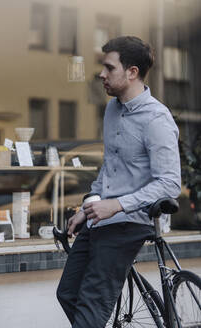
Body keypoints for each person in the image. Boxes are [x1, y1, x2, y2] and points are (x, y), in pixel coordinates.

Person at [56, 36, 181, 327]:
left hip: (131, 222)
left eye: (109, 68)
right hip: (102, 219)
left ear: (132, 72)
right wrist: (88, 207)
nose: (101, 74)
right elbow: (110, 167)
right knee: (67, 293)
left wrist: (118, 205)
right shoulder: (112, 109)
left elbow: (170, 183)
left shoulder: (156, 119)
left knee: (91, 306)